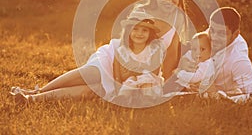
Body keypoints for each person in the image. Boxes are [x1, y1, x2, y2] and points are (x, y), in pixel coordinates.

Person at [11, 10, 167, 104]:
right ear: (128, 31)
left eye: (144, 31)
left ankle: (31, 100)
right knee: (91, 74)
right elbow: (118, 72)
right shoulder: (120, 48)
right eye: (136, 29)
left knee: (89, 91)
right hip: (110, 65)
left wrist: (120, 90)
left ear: (151, 34)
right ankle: (36, 91)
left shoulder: (155, 49)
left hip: (126, 83)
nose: (139, 34)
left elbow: (152, 72)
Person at [132, 0, 193, 80]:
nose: (169, 0)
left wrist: (167, 83)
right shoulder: (141, 12)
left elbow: (171, 53)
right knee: (94, 76)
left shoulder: (178, 17)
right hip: (128, 65)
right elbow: (130, 49)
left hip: (153, 71)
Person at [202, 7, 252, 96]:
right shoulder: (207, 35)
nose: (214, 37)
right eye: (212, 30)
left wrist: (215, 92)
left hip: (222, 92)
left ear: (235, 34)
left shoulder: (238, 59)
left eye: (221, 33)